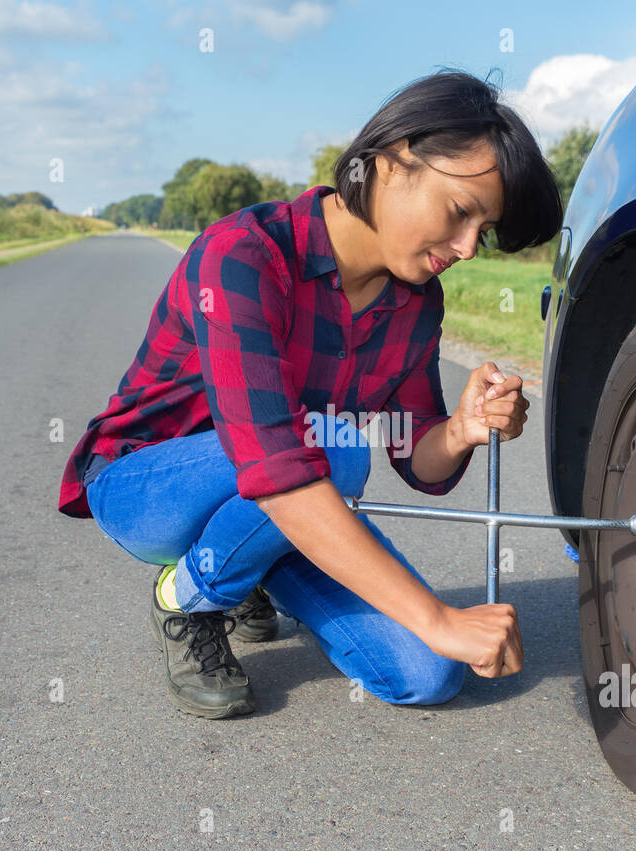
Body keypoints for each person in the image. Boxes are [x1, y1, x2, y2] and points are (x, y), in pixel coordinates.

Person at [57, 69, 562, 718]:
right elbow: (279, 468)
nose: (466, 248)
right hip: (147, 487)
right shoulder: (243, 255)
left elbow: (415, 458)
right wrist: (438, 615)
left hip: (282, 497)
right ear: (390, 162)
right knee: (339, 452)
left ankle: (246, 565)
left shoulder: (417, 301)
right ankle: (187, 596)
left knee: (429, 672)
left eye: (482, 231)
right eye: (461, 213)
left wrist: (461, 427)